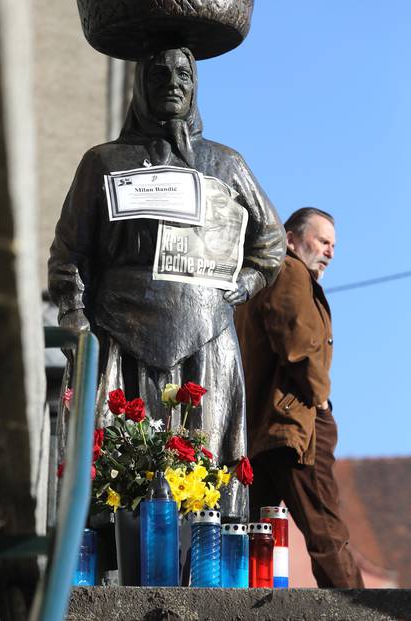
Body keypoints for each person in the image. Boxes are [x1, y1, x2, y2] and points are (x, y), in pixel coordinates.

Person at [48, 47, 286, 519]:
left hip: (206, 336)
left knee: (206, 471)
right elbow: (68, 254)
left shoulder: (225, 162)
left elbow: (271, 241)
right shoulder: (104, 162)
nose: (172, 83)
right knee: (118, 468)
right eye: (158, 74)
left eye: (183, 74)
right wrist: (75, 318)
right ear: (140, 86)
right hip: (120, 338)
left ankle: (208, 560)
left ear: (195, 87)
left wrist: (251, 278)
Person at [235, 207, 364, 586]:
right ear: (290, 239)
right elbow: (297, 342)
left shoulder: (258, 280)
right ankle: (361, 610)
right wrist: (320, 398)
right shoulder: (289, 270)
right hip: (295, 425)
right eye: (322, 241)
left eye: (334, 245)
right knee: (326, 530)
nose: (330, 252)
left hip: (263, 429)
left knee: (252, 536)